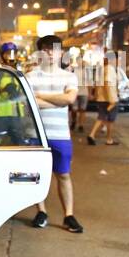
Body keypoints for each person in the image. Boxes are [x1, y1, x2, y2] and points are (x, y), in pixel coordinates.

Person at [26, 34, 82, 233]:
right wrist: (57, 99)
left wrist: (40, 96)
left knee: (63, 175)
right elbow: (29, 103)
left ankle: (69, 215)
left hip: (61, 135)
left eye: (55, 49)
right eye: (46, 49)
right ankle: (41, 212)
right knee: (36, 176)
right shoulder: (30, 76)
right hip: (35, 134)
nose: (50, 53)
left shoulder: (69, 76)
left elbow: (70, 100)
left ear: (61, 53)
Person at [87, 61, 119, 146]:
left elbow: (97, 85)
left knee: (101, 117)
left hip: (101, 98)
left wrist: (96, 95)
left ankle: (92, 134)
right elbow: (107, 83)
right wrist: (111, 99)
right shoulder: (110, 69)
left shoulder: (101, 70)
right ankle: (109, 139)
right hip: (109, 99)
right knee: (110, 120)